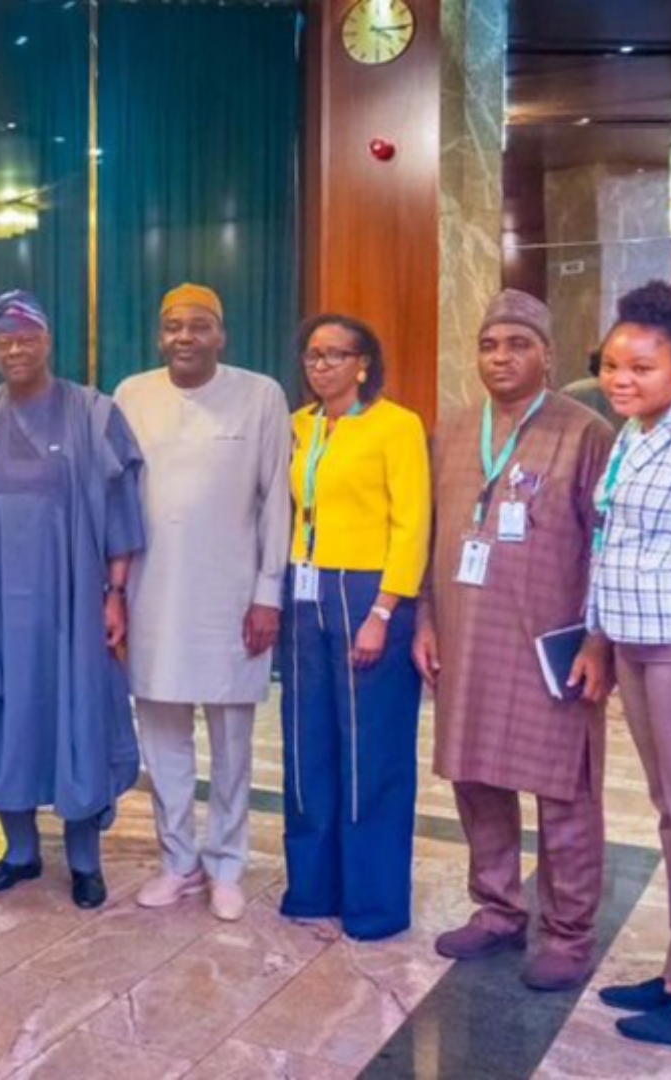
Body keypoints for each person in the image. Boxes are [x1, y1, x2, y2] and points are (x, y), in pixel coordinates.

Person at [415, 290, 614, 990]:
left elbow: (605, 547)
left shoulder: (586, 433)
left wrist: (598, 640)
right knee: (476, 778)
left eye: (518, 344)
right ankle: (498, 910)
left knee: (565, 791)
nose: (501, 357)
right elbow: (432, 537)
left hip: (551, 645)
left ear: (548, 355)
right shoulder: (452, 430)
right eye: (489, 345)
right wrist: (426, 619)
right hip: (469, 639)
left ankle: (568, 932)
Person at [0, 289, 146, 909]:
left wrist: (115, 595)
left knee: (77, 713)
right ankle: (20, 852)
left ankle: (85, 861)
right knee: (5, 713)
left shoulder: (93, 413)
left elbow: (121, 513)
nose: (15, 350)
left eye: (27, 338)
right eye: (4, 341)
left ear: (48, 342)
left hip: (72, 600)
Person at [114, 283, 290, 922]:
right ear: (160, 336)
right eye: (172, 326)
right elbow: (116, 499)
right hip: (153, 594)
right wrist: (114, 593)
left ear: (221, 335)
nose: (183, 337)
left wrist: (268, 592)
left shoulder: (261, 395)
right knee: (162, 739)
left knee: (233, 742)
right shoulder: (132, 395)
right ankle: (179, 863)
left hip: (232, 598)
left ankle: (227, 866)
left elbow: (277, 500)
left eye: (198, 326)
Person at [279, 314, 431, 941]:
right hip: (305, 587)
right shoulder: (300, 425)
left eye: (336, 355)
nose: (322, 366)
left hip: (371, 593)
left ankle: (374, 904)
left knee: (372, 751)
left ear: (364, 363)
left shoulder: (397, 425)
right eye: (313, 355)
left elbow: (412, 524)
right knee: (306, 743)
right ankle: (313, 888)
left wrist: (385, 611)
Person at [586, 282, 671, 1047]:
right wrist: (597, 635)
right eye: (611, 365)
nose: (621, 380)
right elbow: (610, 541)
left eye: (642, 368)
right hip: (632, 639)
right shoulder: (634, 431)